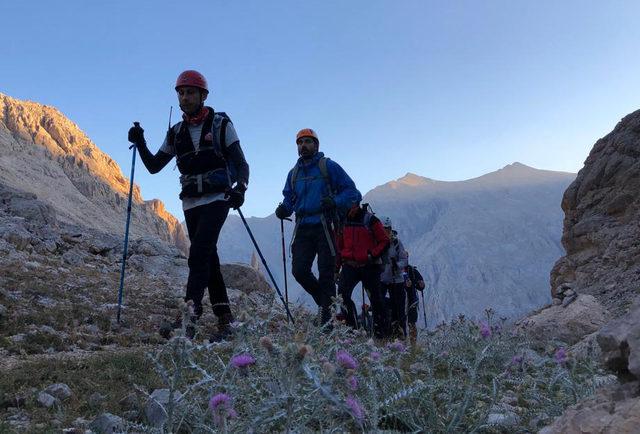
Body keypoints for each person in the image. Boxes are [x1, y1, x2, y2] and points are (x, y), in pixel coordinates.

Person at [127, 70, 249, 341]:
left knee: (199, 254)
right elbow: (154, 166)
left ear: (203, 95)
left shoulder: (221, 125)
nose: (185, 97)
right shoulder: (176, 132)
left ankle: (189, 318)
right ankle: (225, 319)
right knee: (209, 259)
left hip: (218, 199)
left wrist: (241, 188)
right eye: (181, 93)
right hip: (191, 203)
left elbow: (240, 163)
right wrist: (141, 141)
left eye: (190, 92)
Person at [275, 128, 361, 326]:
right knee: (299, 270)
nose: (303, 145)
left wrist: (335, 201)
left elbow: (353, 192)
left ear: (316, 145)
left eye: (307, 141)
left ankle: (327, 321)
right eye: (299, 142)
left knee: (326, 273)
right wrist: (284, 209)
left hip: (325, 225)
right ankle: (326, 305)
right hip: (303, 227)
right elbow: (289, 198)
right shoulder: (293, 174)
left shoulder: (328, 167)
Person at [336, 204, 389, 338]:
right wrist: (336, 268)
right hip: (350, 264)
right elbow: (339, 246)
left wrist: (372, 255)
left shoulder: (370, 220)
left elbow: (384, 241)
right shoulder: (343, 221)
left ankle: (381, 334)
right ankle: (352, 330)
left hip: (369, 265)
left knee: (376, 299)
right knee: (342, 296)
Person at [379, 217, 409, 339]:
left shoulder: (396, 243)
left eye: (387, 229)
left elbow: (404, 259)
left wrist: (398, 265)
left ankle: (400, 336)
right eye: (383, 229)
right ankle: (384, 333)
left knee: (399, 310)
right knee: (380, 306)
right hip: (382, 279)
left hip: (396, 280)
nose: (385, 231)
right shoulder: (377, 242)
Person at [405, 258, 426, 345]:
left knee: (411, 322)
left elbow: (420, 284)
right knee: (408, 323)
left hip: (411, 301)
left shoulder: (412, 271)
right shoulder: (411, 270)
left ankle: (412, 345)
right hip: (406, 300)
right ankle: (404, 344)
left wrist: (421, 284)